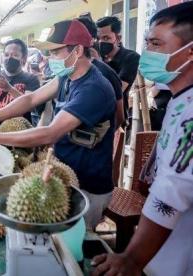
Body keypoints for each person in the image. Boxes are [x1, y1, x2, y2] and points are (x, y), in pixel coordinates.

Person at [0, 20, 116, 230]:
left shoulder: (93, 89)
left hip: (87, 185)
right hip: (63, 174)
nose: (49, 59)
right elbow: (30, 100)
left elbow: (50, 133)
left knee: (74, 248)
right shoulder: (67, 77)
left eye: (55, 52)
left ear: (77, 51)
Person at [92, 3, 193, 275]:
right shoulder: (179, 98)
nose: (148, 52)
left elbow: (174, 190)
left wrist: (132, 259)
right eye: (147, 42)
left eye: (157, 44)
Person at [78, 16, 125, 128]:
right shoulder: (65, 76)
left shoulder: (106, 73)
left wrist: (105, 139)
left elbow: (119, 117)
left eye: (106, 38)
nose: (101, 42)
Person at [0, 39, 42, 124]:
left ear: (23, 58)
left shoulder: (31, 79)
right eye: (6, 55)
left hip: (20, 129)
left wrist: (9, 88)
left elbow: (30, 106)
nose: (9, 58)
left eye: (15, 55)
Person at [96, 16, 140, 123]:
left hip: (115, 118)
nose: (101, 42)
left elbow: (117, 90)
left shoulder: (131, 57)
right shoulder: (96, 57)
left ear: (118, 38)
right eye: (98, 38)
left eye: (106, 38)